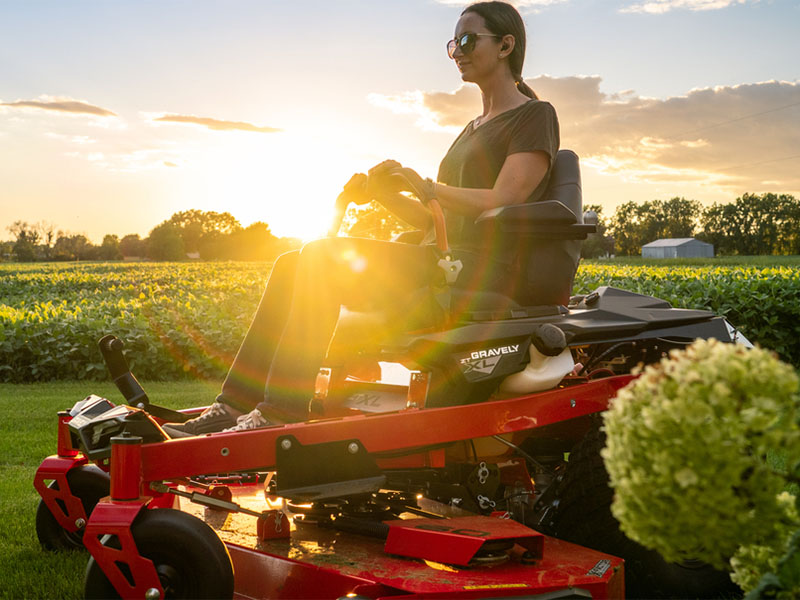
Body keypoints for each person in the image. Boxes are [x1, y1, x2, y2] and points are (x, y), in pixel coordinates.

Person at [163, 0, 561, 437]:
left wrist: (428, 187)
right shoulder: (471, 128)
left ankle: (280, 410)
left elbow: (506, 197)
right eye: (452, 44)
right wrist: (388, 195)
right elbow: (436, 220)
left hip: (478, 270)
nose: (457, 52)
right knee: (291, 263)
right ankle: (232, 405)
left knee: (322, 257)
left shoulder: (533, 115)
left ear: (506, 45)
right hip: (440, 257)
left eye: (468, 40)